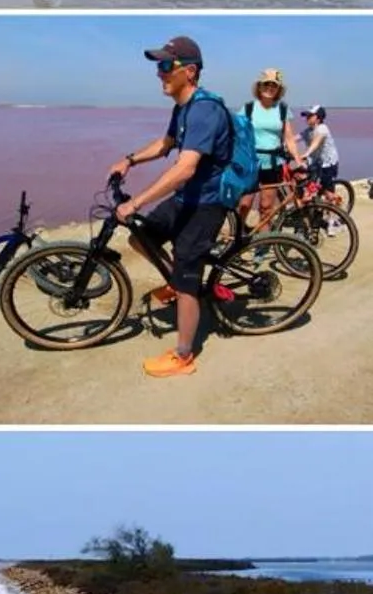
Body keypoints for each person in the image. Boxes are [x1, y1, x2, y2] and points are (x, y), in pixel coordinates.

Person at [107, 35, 230, 381]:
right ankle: (178, 283)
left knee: (188, 279)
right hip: (185, 198)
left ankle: (184, 355)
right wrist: (129, 160)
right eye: (158, 66)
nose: (159, 74)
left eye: (165, 66)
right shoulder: (183, 107)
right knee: (141, 238)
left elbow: (185, 167)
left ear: (189, 72)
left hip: (207, 204)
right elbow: (167, 144)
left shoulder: (205, 110)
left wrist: (137, 201)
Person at [243, 68, 302, 223]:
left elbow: (289, 138)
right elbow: (237, 135)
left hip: (273, 164)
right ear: (259, 86)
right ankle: (237, 239)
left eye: (274, 85)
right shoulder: (248, 108)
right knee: (244, 204)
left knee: (266, 206)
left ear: (278, 89)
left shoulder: (282, 109)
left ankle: (263, 242)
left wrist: (298, 159)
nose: (270, 87)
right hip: (250, 163)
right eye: (266, 84)